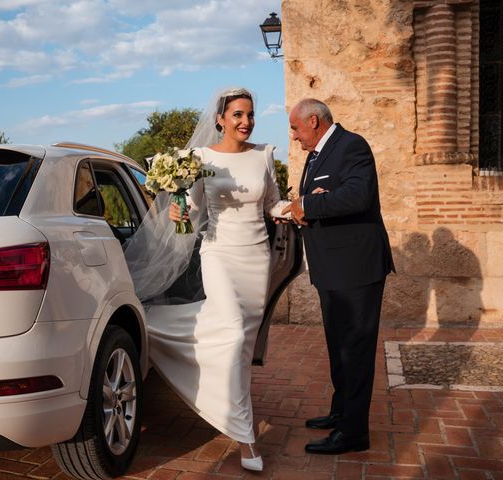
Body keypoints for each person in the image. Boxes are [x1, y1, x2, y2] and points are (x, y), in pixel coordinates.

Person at [129, 87, 290, 472]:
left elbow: (272, 203)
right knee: (233, 334)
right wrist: (177, 214)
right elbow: (194, 213)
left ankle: (231, 404)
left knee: (241, 347)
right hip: (218, 253)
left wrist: (294, 209)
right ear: (220, 119)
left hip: (256, 259)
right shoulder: (200, 159)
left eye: (250, 115)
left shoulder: (264, 155)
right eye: (237, 115)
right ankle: (247, 437)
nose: (245, 122)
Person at [281, 98, 395, 454]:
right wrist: (298, 209)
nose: (295, 137)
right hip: (331, 269)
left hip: (356, 268)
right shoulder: (316, 155)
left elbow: (358, 196)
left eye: (296, 128)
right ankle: (342, 412)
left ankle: (354, 433)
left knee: (355, 350)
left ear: (313, 121)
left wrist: (309, 205)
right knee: (338, 346)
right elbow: (319, 199)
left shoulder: (352, 146)